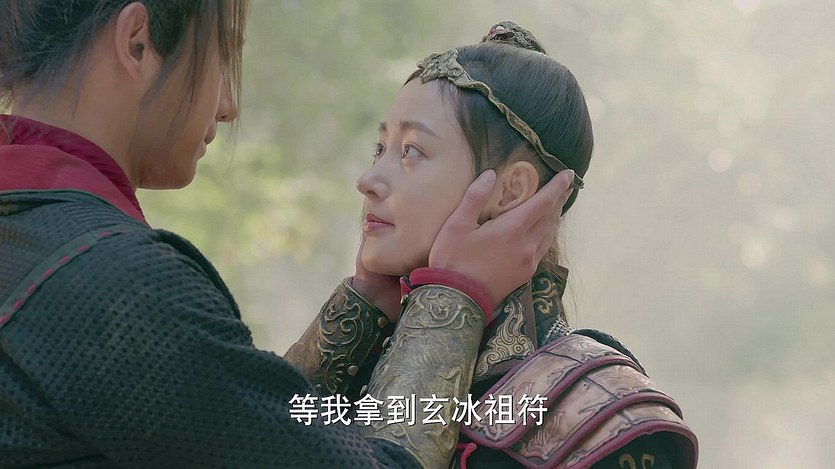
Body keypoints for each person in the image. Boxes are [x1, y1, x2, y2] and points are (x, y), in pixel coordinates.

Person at [0, 3, 574, 468]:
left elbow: (263, 433)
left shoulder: (39, 238)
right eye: (221, 58)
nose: (227, 105)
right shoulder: (123, 289)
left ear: (512, 190)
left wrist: (363, 310)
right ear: (137, 43)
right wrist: (453, 295)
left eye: (412, 151)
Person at [285, 22, 698, 469]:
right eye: (380, 148)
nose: (367, 180)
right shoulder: (362, 367)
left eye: (411, 152)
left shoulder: (600, 414)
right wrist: (361, 309)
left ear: (511, 190)